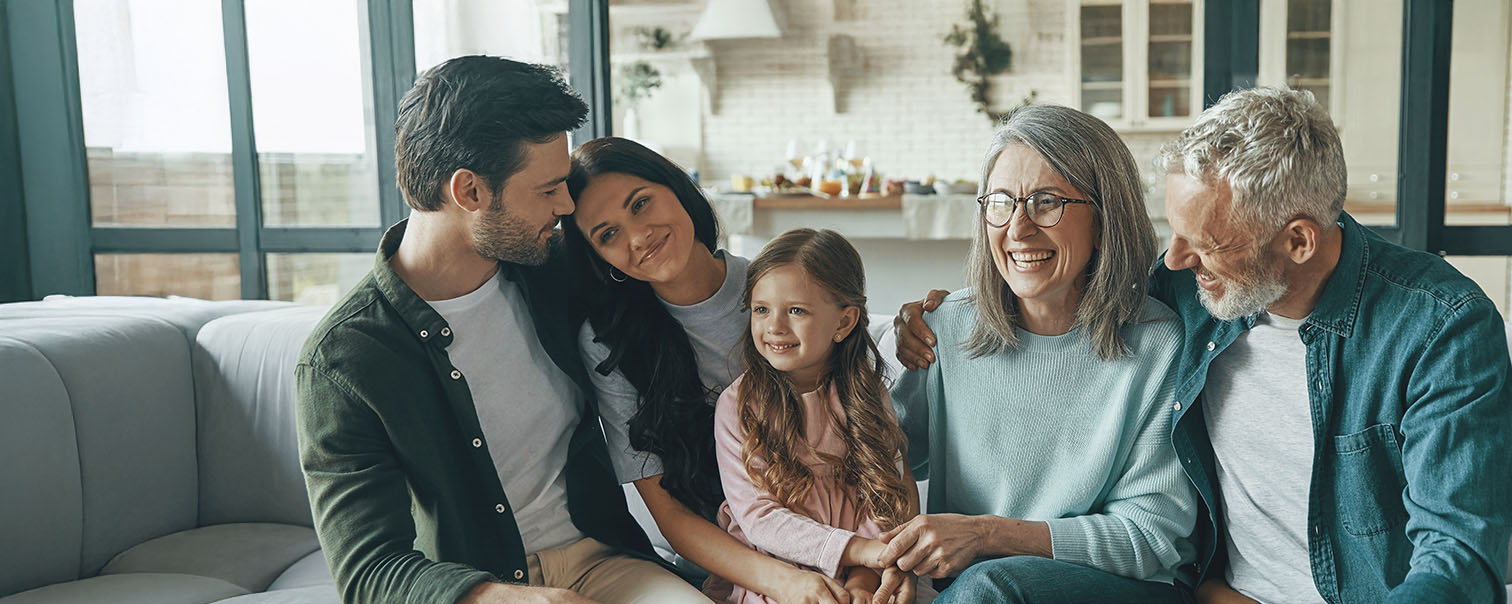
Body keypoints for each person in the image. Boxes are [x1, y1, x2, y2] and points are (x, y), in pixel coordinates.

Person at [897, 87, 1512, 604]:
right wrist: (934, 319)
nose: (1172, 259)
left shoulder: (1440, 326)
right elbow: (1072, 286)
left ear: (1297, 242)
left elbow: (1460, 559)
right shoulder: (1192, 293)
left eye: (1206, 242)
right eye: (1175, 231)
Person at [295, 56, 707, 604]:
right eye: (547, 190)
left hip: (607, 564)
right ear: (468, 192)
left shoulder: (558, 270)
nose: (566, 206)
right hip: (479, 588)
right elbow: (369, 570)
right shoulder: (344, 360)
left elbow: (689, 296)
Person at [881, 103, 1198, 604]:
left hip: (1119, 589)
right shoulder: (943, 329)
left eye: (1046, 202)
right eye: (1001, 202)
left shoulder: (1158, 344)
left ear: (1103, 217)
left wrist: (989, 534)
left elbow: (1150, 537)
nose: (1019, 228)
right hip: (975, 593)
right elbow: (880, 452)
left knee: (988, 584)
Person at [565, 138, 880, 604]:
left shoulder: (777, 293)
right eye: (607, 234)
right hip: (733, 576)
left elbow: (877, 455)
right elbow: (669, 515)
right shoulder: (610, 346)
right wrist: (788, 583)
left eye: (641, 204)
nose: (637, 236)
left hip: (852, 558)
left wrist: (863, 573)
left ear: (678, 189)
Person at [714, 228, 921, 604]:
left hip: (870, 567)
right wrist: (858, 550)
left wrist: (862, 577)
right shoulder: (738, 405)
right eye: (761, 309)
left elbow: (886, 492)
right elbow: (760, 518)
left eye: (796, 310)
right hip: (780, 573)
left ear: (843, 323)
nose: (774, 326)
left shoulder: (867, 394)